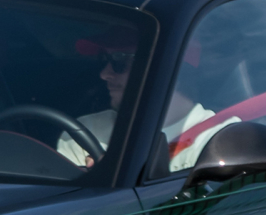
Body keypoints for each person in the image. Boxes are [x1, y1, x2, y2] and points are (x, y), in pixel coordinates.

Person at [54, 26, 217, 170]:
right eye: (104, 59)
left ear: (165, 70)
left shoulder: (216, 142)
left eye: (119, 60)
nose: (104, 74)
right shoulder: (84, 132)